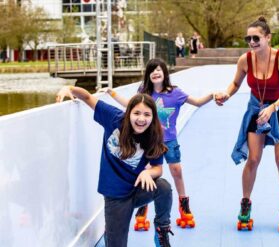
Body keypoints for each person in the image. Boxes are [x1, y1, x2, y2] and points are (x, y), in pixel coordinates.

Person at [214, 16, 279, 232]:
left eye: (256, 37)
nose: (251, 41)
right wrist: (226, 94)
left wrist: (272, 107)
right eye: (248, 38)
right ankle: (245, 203)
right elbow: (235, 83)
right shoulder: (245, 60)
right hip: (256, 111)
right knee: (253, 159)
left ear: (267, 37)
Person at [101, 58, 215, 229]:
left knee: (176, 171)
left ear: (164, 73)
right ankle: (142, 211)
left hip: (169, 140)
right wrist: (112, 93)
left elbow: (197, 102)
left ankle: (184, 206)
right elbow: (129, 105)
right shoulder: (143, 93)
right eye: (152, 70)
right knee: (146, 173)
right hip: (148, 142)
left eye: (159, 69)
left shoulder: (175, 93)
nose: (155, 72)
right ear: (148, 74)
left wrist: (213, 95)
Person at [56, 89, 173, 247]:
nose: (141, 119)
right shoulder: (114, 118)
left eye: (147, 115)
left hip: (137, 189)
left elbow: (158, 168)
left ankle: (161, 231)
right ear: (128, 112)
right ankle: (111, 231)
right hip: (116, 198)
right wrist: (69, 89)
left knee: (164, 187)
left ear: (152, 118)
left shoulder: (153, 136)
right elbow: (88, 97)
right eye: (136, 113)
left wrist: (148, 172)